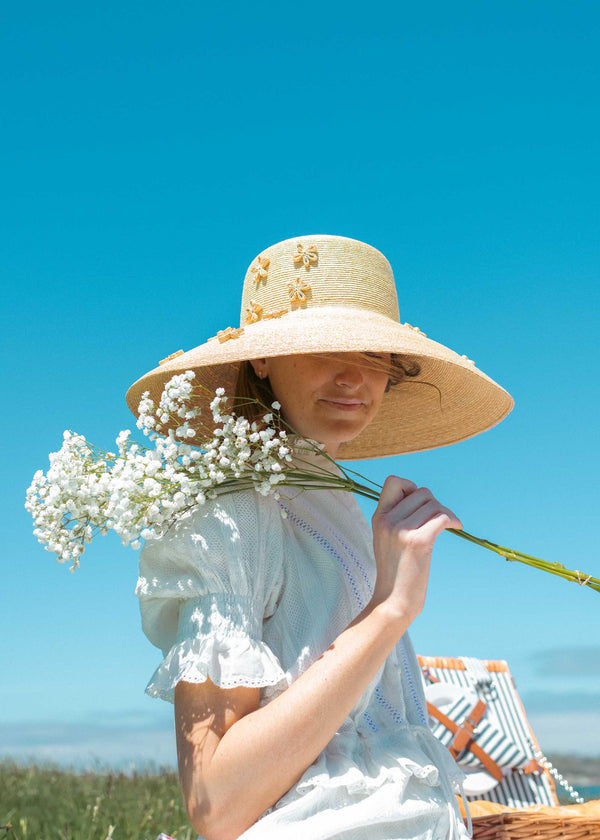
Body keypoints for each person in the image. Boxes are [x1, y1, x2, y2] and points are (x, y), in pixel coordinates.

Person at [127, 235, 513, 840]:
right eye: (323, 347)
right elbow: (216, 802)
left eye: (377, 354)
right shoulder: (229, 512)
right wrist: (391, 609)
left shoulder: (333, 497)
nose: (354, 376)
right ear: (261, 359)